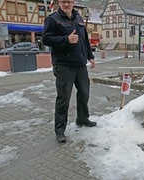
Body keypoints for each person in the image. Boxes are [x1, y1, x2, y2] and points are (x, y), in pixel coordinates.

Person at [42, 0, 96, 143]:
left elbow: (85, 40)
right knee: (63, 98)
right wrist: (66, 39)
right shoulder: (52, 19)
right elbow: (46, 39)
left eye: (69, 1)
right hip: (64, 65)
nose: (67, 4)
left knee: (84, 92)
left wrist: (90, 56)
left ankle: (83, 119)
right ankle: (60, 131)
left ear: (73, 3)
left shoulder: (78, 18)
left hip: (80, 64)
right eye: (64, 1)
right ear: (59, 2)